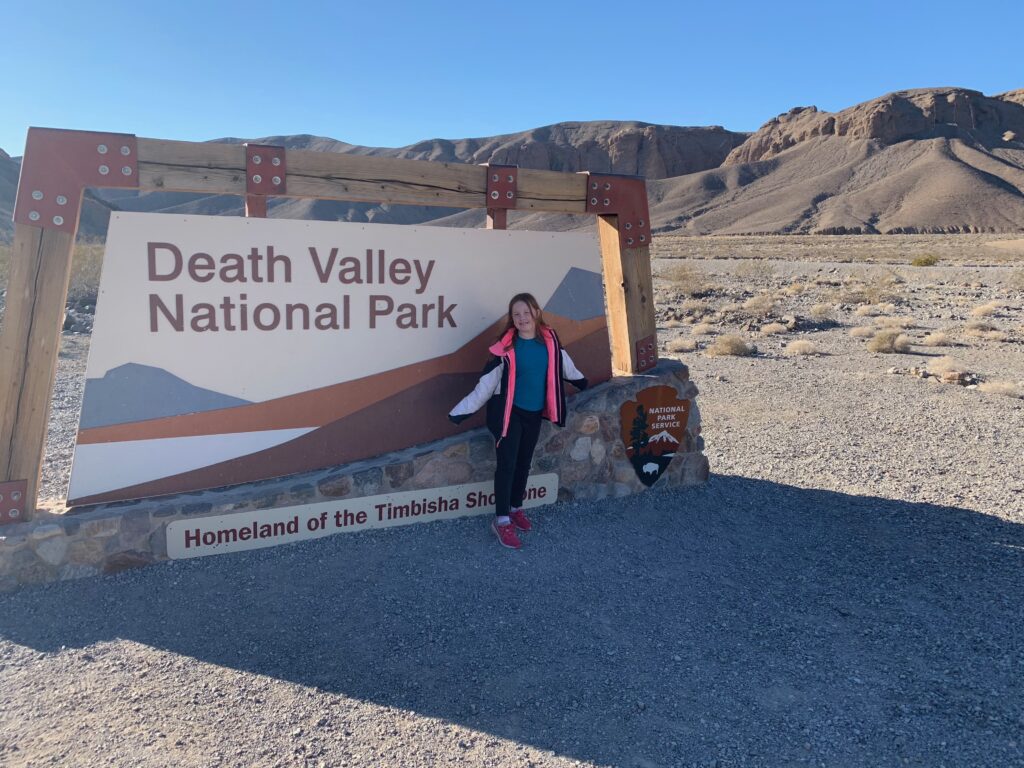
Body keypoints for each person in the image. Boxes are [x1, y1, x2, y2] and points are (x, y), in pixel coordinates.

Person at [448, 293, 587, 549]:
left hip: (534, 414)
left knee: (524, 464)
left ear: (536, 312)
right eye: (516, 314)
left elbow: (565, 366)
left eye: (526, 312)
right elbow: (486, 386)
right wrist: (461, 411)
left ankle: (515, 508)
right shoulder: (505, 348)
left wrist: (581, 381)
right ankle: (501, 521)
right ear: (512, 319)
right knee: (507, 466)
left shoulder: (550, 342)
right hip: (509, 416)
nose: (522, 318)